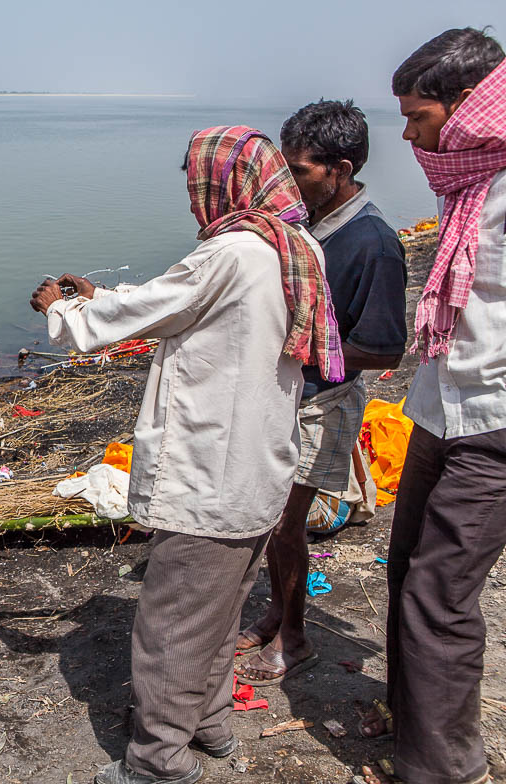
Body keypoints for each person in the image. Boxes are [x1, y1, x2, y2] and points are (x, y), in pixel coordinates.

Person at [32, 126, 342, 784]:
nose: (192, 197)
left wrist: (62, 312)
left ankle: (158, 763)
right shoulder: (293, 245)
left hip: (211, 480)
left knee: (171, 627)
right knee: (218, 613)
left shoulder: (231, 252)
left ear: (224, 182)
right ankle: (212, 725)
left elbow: (150, 310)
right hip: (259, 474)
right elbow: (177, 305)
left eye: (194, 183)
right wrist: (99, 295)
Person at [358, 29, 506, 784]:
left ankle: (446, 769)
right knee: (406, 569)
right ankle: (413, 724)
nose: (409, 134)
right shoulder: (471, 184)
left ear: (466, 107)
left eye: (417, 116)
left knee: (440, 597)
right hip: (439, 407)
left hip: (496, 424)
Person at [235, 100, 408, 687]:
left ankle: (295, 638)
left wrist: (296, 346)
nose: (289, 182)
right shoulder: (310, 225)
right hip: (290, 393)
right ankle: (279, 614)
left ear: (338, 168)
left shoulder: (374, 244)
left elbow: (385, 350)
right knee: (273, 521)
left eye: (301, 171)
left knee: (286, 523)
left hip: (325, 400)